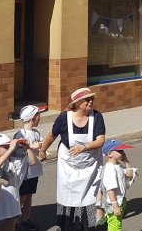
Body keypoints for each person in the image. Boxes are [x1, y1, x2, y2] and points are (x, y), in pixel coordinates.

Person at [39, 87, 107, 230]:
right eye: (87, 99)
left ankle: (88, 225)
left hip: (90, 165)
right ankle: (67, 225)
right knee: (67, 195)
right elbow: (52, 135)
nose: (91, 101)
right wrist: (43, 151)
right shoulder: (64, 118)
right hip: (68, 166)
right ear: (77, 103)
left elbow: (100, 141)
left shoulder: (97, 117)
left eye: (92, 99)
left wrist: (84, 147)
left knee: (90, 196)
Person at [0, 133, 37, 231]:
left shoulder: (12, 162)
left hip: (11, 208)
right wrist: (11, 148)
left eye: (9, 146)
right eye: (5, 146)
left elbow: (33, 162)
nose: (9, 148)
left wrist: (27, 148)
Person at [14, 105, 44, 231]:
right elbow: (18, 149)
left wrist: (43, 151)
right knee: (21, 196)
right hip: (24, 172)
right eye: (38, 116)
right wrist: (33, 146)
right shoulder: (19, 134)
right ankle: (16, 222)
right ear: (33, 118)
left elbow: (41, 145)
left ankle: (26, 219)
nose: (40, 118)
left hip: (34, 171)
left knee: (29, 195)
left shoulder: (36, 133)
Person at [98, 139, 136, 231]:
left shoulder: (118, 165)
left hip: (120, 201)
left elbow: (130, 174)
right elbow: (110, 190)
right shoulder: (110, 170)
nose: (122, 152)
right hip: (113, 204)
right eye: (119, 150)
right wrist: (115, 206)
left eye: (122, 150)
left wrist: (126, 161)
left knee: (115, 225)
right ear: (110, 154)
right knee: (115, 228)